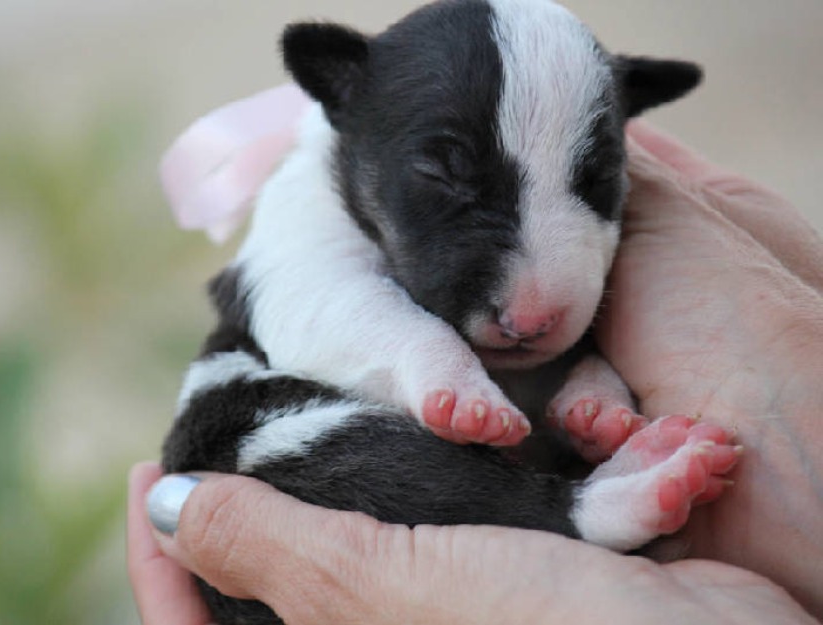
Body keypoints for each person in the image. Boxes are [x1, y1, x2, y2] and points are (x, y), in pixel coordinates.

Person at [127, 122, 823, 625]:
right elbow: (314, 325)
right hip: (274, 457)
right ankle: (579, 512)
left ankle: (581, 503)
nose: (528, 307)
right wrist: (430, 367)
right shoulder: (312, 216)